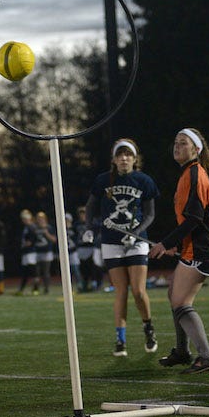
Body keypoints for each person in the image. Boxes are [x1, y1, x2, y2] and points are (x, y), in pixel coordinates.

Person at [150, 128, 209, 374]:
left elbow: (194, 219)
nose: (177, 146)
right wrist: (177, 245)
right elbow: (193, 219)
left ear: (196, 149)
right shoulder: (188, 174)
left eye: (183, 143)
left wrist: (165, 243)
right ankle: (183, 351)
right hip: (198, 246)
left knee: (181, 301)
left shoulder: (194, 174)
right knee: (173, 292)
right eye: (175, 142)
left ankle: (206, 357)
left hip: (205, 248)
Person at [84, 138, 159, 357]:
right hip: (111, 242)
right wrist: (89, 228)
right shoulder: (102, 180)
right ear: (114, 159)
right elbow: (90, 206)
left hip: (136, 243)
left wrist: (136, 233)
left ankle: (148, 328)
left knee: (138, 290)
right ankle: (120, 339)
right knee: (120, 292)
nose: (124, 158)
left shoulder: (144, 180)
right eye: (120, 155)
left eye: (128, 155)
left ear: (135, 159)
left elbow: (151, 213)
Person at [75, 206, 102, 292]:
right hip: (81, 248)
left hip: (91, 247)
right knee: (84, 268)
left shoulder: (93, 223)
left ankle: (96, 284)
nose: (83, 215)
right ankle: (85, 285)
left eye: (84, 213)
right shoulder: (76, 224)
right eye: (81, 214)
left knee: (94, 267)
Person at [32, 211, 57, 295]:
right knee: (36, 272)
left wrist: (47, 234)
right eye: (38, 218)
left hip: (46, 252)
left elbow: (54, 240)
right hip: (37, 252)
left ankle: (46, 288)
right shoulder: (35, 228)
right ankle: (36, 288)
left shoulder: (49, 228)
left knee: (45, 272)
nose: (40, 220)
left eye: (42, 218)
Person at [17, 209, 38, 295]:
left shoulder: (32, 227)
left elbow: (33, 239)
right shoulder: (26, 227)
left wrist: (28, 243)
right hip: (26, 252)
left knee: (33, 271)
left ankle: (35, 289)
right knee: (25, 272)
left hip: (31, 252)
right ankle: (21, 289)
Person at [64, 212, 81, 290]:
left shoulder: (74, 229)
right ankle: (69, 287)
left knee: (75, 269)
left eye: (67, 220)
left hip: (73, 251)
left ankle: (79, 285)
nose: (66, 221)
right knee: (67, 271)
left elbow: (77, 239)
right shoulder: (62, 229)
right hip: (65, 252)